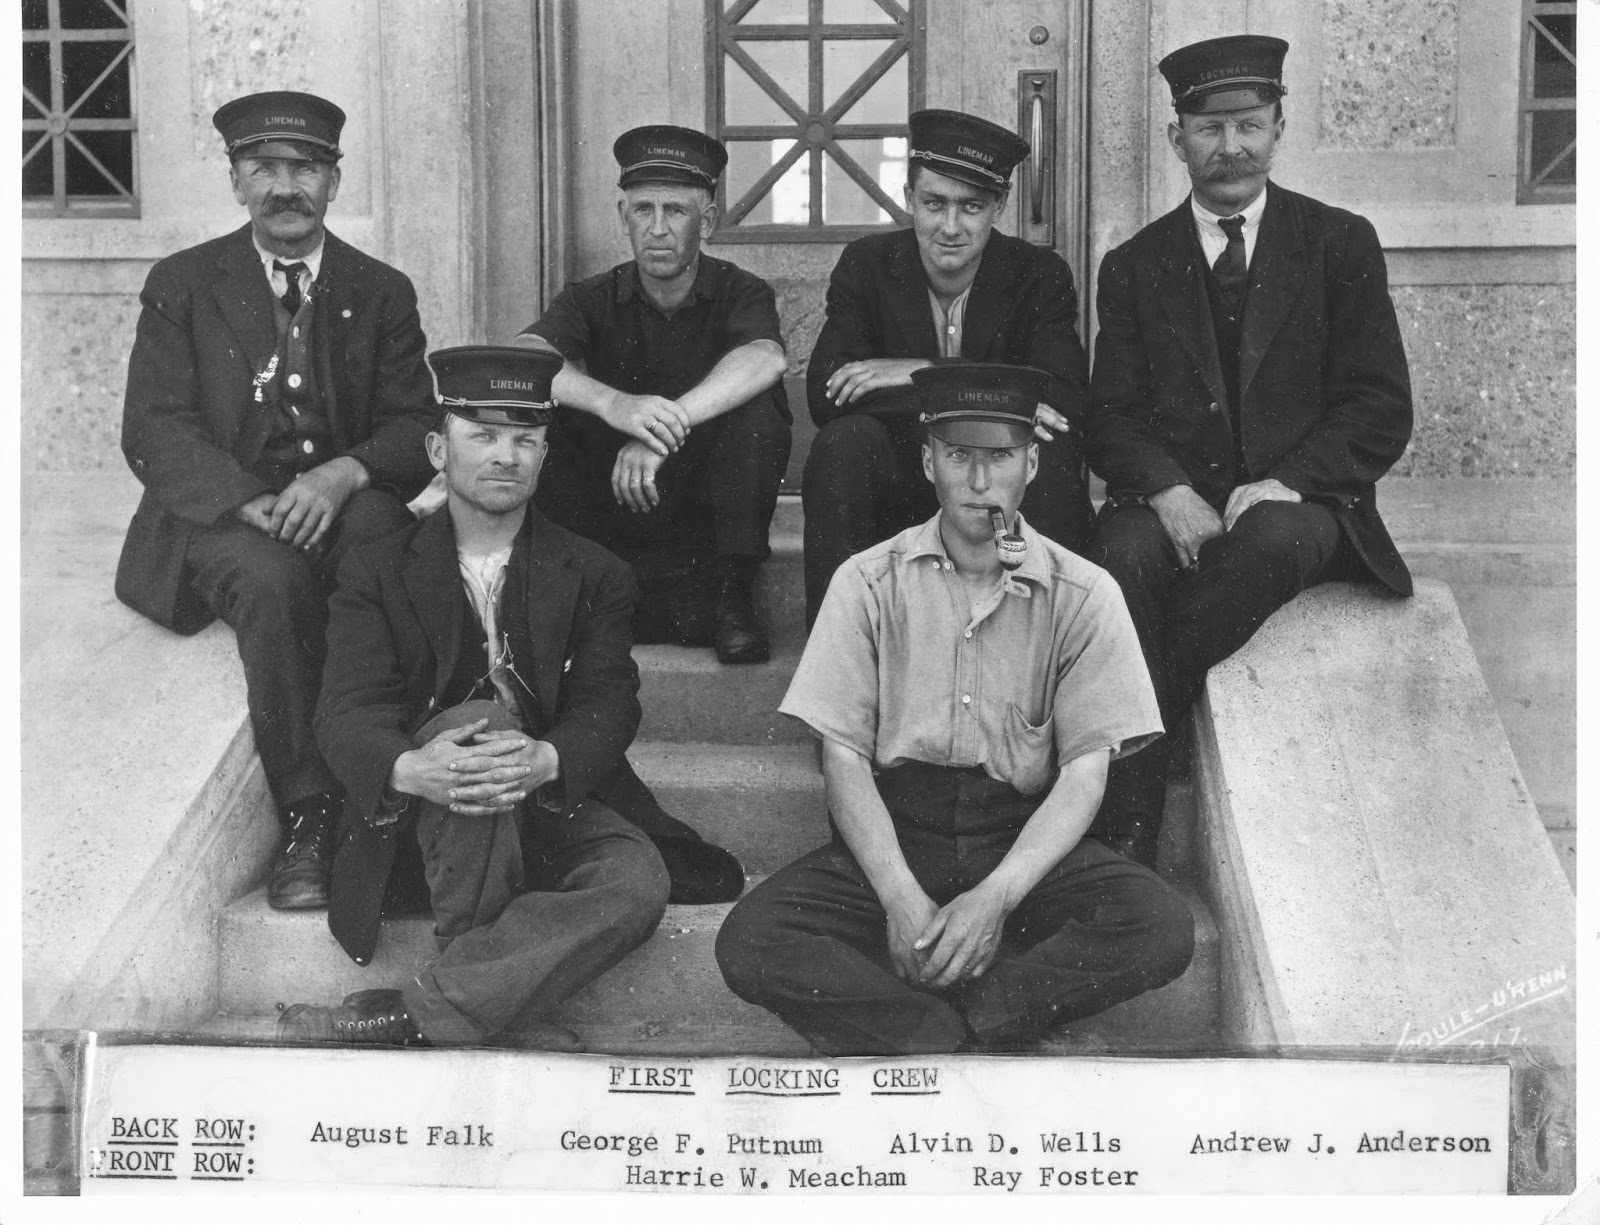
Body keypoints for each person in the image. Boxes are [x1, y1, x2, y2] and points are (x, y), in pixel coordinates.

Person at [715, 364, 1195, 1056]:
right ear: (927, 460)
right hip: (899, 828)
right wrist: (899, 896)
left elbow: (1087, 773)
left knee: (1160, 925)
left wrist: (997, 898)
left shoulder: (1084, 593)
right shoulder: (868, 580)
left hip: (1018, 836)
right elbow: (842, 755)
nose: (978, 482)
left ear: (1031, 463)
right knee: (750, 941)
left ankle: (977, 1016)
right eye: (958, 456)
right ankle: (940, 1030)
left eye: (999, 457)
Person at [278, 346, 684, 1050]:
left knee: (639, 879)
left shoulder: (594, 571)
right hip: (418, 823)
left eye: (525, 438)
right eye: (483, 435)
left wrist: (548, 759)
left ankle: (426, 1010)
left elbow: (609, 705)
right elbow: (343, 711)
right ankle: (491, 1006)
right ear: (439, 448)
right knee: (475, 725)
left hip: (544, 803)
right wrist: (410, 768)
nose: (506, 455)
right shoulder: (374, 568)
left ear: (545, 453)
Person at [1083, 35, 1414, 869]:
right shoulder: (1132, 265)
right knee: (1120, 555)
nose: (1230, 148)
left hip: (1302, 507)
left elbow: (1380, 408)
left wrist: (1286, 482)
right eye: (1208, 128)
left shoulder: (1340, 243)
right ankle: (1127, 826)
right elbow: (1109, 415)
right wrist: (1165, 490)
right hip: (1176, 507)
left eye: (1248, 126)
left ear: (1278, 127)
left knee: (1271, 541)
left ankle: (1123, 793)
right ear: (1176, 137)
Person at [115, 91, 437, 911]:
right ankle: (309, 814)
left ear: (334, 180)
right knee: (272, 582)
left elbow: (414, 424)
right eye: (264, 168)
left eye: (304, 169)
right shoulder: (184, 284)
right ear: (236, 181)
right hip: (221, 519)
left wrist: (344, 474)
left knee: (384, 545)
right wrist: (252, 500)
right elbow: (153, 429)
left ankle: (385, 792)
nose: (284, 187)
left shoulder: (382, 289)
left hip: (339, 504)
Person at [800, 108, 1095, 627]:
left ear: (999, 206)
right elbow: (829, 395)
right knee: (842, 445)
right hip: (905, 479)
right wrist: (997, 390)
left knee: (1054, 449)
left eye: (972, 206)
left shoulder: (1038, 274)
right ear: (909, 196)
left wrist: (922, 370)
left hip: (1001, 481)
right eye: (934, 203)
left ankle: (1049, 637)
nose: (951, 227)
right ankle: (837, 644)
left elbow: (1064, 400)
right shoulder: (868, 265)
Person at [516, 125, 790, 663]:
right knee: (548, 404)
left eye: (676, 211)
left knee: (760, 409)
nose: (658, 229)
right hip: (618, 507)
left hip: (704, 513)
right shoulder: (591, 297)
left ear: (706, 221)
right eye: (643, 210)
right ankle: (574, 593)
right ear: (624, 218)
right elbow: (528, 355)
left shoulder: (741, 290)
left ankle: (735, 598)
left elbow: (765, 357)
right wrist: (616, 406)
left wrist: (663, 431)